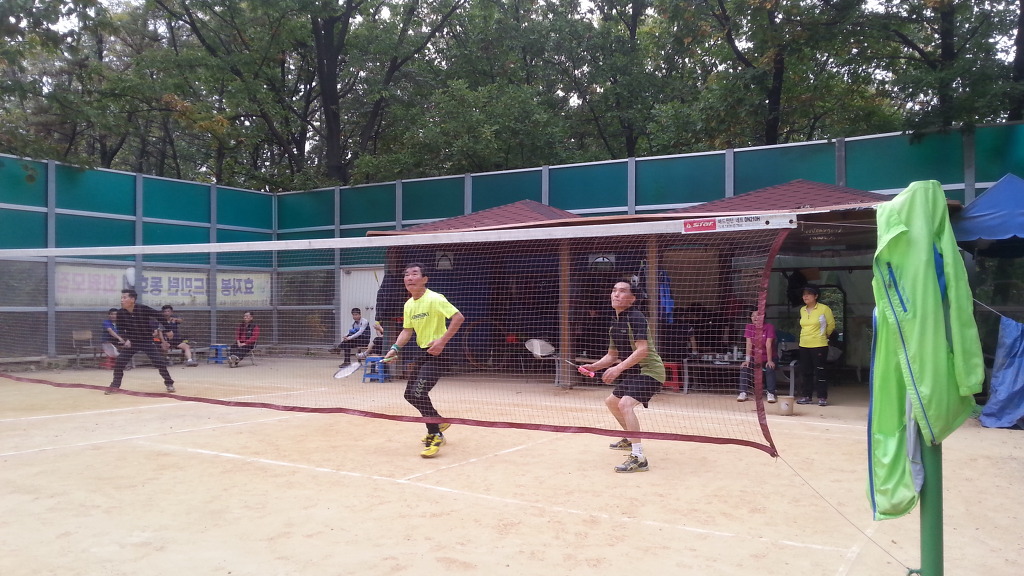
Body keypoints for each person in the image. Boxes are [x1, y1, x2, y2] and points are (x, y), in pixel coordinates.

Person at [580, 280, 666, 473]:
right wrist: (593, 366)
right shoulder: (615, 324)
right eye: (614, 290)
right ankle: (629, 437)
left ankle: (639, 458)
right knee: (612, 402)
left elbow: (642, 350)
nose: (616, 294)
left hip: (650, 371)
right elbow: (612, 355)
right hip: (635, 372)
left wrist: (618, 369)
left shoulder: (636, 317)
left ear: (632, 298)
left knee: (625, 404)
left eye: (622, 291)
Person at [382, 263, 465, 458]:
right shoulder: (409, 304)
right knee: (410, 395)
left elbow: (458, 317)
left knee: (418, 393)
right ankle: (438, 421)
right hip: (424, 352)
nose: (409, 278)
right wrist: (394, 349)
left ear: (425, 279)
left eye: (414, 274)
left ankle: (434, 434)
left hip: (441, 353)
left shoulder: (435, 298)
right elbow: (407, 331)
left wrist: (442, 341)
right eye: (406, 275)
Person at [105, 289, 175, 394]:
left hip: (146, 341)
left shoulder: (143, 309)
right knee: (119, 362)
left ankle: (169, 383)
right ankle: (115, 386)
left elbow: (159, 316)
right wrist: (126, 339)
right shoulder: (120, 313)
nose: (122, 300)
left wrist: (168, 329)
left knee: (159, 362)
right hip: (133, 342)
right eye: (121, 298)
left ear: (132, 299)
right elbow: (120, 329)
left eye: (124, 297)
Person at [796, 284, 835, 406]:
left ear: (816, 296)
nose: (805, 296)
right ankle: (806, 396)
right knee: (806, 371)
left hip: (819, 344)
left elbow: (831, 325)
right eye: (804, 294)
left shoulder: (824, 309)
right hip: (804, 344)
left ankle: (822, 397)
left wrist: (825, 335)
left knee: (820, 371)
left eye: (808, 294)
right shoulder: (802, 310)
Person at [737, 306, 778, 403]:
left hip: (768, 356)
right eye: (753, 315)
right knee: (745, 367)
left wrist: (769, 360)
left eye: (758, 315)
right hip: (754, 357)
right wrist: (747, 360)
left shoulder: (769, 327)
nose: (755, 317)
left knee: (769, 367)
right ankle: (743, 392)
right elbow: (749, 344)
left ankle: (771, 393)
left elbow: (768, 344)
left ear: (763, 317)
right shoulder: (749, 327)